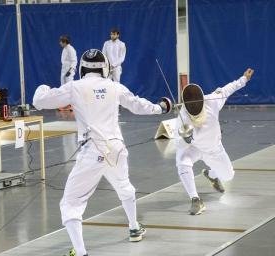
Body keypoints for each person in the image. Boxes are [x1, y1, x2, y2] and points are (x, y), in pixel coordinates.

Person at [33, 49, 172, 256]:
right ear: (105, 68)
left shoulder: (75, 87)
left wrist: (43, 87)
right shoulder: (114, 87)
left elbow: (39, 101)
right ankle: (134, 227)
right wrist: (161, 107)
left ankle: (80, 252)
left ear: (83, 68)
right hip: (116, 148)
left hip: (93, 151)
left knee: (70, 204)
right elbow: (138, 105)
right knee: (124, 186)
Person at [174, 68, 254, 215]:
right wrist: (185, 139)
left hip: (214, 149)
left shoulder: (212, 101)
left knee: (228, 176)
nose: (194, 106)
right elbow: (176, 144)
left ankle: (212, 175)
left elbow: (227, 89)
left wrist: (244, 79)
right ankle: (195, 199)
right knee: (182, 160)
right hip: (195, 148)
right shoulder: (183, 116)